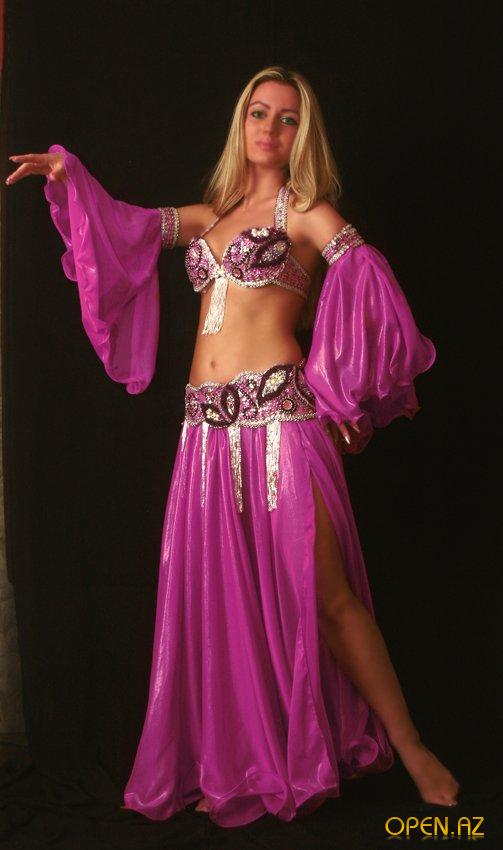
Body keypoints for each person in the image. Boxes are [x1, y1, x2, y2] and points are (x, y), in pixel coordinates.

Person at [6, 65, 460, 828]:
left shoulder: (305, 212)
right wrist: (69, 176)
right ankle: (249, 758)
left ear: (301, 134)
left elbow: (368, 281)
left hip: (280, 422)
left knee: (326, 596)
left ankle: (413, 749)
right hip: (204, 433)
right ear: (240, 122)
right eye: (259, 112)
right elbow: (124, 228)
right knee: (215, 603)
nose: (270, 128)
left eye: (287, 118)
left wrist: (345, 386)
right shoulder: (210, 214)